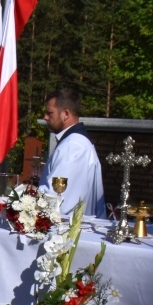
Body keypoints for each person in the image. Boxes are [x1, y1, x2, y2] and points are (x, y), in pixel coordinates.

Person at [38, 88, 107, 218]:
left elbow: (57, 198)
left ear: (66, 114)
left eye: (50, 113)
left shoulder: (73, 146)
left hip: (68, 226)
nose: (45, 117)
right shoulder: (74, 142)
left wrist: (25, 199)